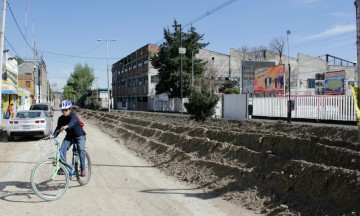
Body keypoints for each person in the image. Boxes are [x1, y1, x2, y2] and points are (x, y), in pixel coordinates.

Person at [53, 100, 87, 177]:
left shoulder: (73, 116)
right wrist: (53, 136)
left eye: (66, 109)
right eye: (63, 110)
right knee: (62, 149)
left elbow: (72, 123)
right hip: (69, 137)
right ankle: (63, 168)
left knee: (80, 150)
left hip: (79, 136)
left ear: (70, 109)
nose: (64, 111)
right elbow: (58, 129)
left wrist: (66, 126)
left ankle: (83, 168)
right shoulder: (60, 119)